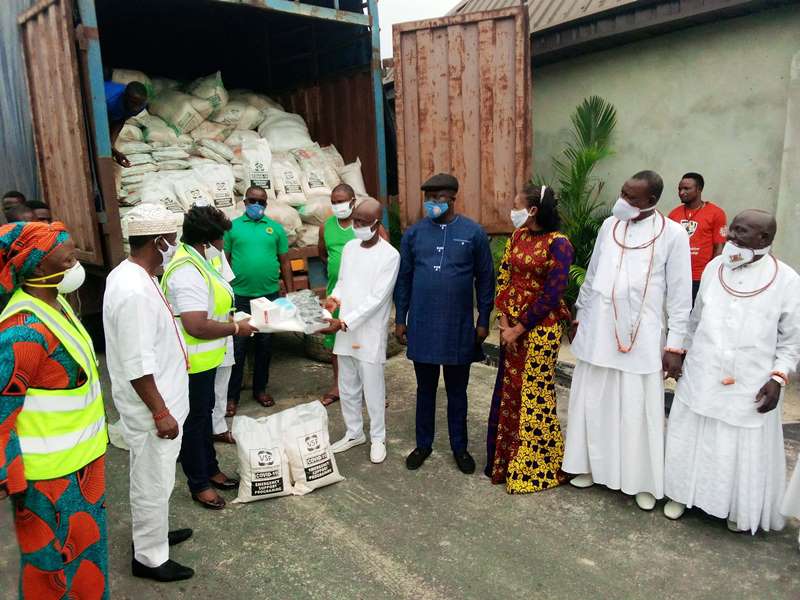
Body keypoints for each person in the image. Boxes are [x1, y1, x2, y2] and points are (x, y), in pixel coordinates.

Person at [663, 210, 800, 533]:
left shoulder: (788, 280)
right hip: (702, 370)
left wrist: (778, 376)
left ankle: (736, 507)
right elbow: (696, 320)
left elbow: (791, 339)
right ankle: (682, 494)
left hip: (750, 378)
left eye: (741, 232)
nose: (731, 237)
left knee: (735, 441)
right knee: (693, 431)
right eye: (731, 230)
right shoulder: (714, 268)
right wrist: (679, 353)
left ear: (764, 239)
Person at [563, 170, 692, 511]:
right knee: (594, 401)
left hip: (643, 337)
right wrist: (580, 314)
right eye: (623, 193)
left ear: (651, 201)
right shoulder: (610, 225)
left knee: (637, 409)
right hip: (599, 330)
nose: (623, 202)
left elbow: (680, 297)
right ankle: (589, 465)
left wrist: (676, 346)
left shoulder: (673, 235)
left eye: (631, 198)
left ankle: (642, 482)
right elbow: (592, 277)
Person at [0, 221, 108, 598]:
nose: (76, 262)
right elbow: (1, 413)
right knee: (49, 571)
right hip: (46, 481)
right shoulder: (24, 330)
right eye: (69, 257)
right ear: (39, 267)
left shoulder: (56, 303)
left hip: (81, 466)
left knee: (86, 560)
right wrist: (10, 483)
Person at [103, 204, 194, 582]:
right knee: (152, 481)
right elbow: (138, 364)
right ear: (158, 241)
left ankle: (153, 535)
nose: (176, 245)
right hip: (153, 406)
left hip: (164, 397)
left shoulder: (137, 275)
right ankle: (149, 558)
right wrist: (160, 412)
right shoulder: (134, 290)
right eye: (173, 240)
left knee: (156, 479)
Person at [394, 173, 495, 474]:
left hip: (458, 327)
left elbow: (486, 279)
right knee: (425, 389)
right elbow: (405, 279)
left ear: (452, 197)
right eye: (428, 197)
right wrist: (401, 318)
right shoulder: (413, 234)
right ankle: (423, 444)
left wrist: (484, 319)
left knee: (457, 391)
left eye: (438, 197)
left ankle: (459, 447)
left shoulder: (473, 232)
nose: (432, 203)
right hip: (423, 325)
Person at [161, 206, 256, 510]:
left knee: (203, 418)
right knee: (193, 423)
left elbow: (214, 303)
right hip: (190, 362)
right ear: (209, 240)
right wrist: (236, 328)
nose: (223, 243)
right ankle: (198, 482)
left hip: (205, 360)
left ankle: (210, 469)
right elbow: (196, 325)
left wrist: (235, 317)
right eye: (221, 238)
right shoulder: (187, 270)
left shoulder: (201, 260)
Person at [486, 184, 574, 493]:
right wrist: (504, 319)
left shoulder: (558, 244)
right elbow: (505, 275)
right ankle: (506, 461)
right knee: (510, 391)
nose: (512, 210)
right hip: (511, 327)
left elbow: (552, 294)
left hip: (541, 330)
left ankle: (535, 469)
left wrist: (519, 327)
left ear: (533, 210)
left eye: (517, 205)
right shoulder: (517, 236)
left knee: (534, 395)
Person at [322, 198, 400, 464]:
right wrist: (334, 300)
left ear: (377, 224)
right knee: (347, 384)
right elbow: (343, 282)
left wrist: (345, 321)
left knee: (373, 387)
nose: (356, 227)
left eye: (362, 223)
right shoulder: (350, 247)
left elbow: (377, 298)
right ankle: (354, 432)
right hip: (345, 327)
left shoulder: (390, 255)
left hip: (368, 332)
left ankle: (377, 437)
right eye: (355, 221)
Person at [224, 186, 294, 416]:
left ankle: (260, 390)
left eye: (262, 202)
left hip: (269, 296)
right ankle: (231, 397)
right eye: (253, 201)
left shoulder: (275, 229)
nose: (257, 205)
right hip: (240, 296)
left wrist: (291, 294)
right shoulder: (232, 228)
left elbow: (285, 263)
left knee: (265, 346)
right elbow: (225, 261)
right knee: (238, 348)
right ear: (245, 202)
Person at [318, 184, 388, 407]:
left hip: (363, 294)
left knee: (366, 344)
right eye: (334, 201)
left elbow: (382, 256)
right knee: (337, 343)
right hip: (337, 292)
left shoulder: (368, 226)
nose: (337, 205)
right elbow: (322, 254)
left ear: (352, 201)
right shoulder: (325, 227)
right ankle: (339, 385)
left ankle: (373, 391)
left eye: (342, 201)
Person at [668, 173, 727, 303]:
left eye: (686, 189)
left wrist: (712, 275)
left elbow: (719, 247)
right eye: (679, 189)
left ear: (699, 189)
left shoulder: (716, 213)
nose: (682, 192)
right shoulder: (673, 214)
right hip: (677, 276)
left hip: (700, 277)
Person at [105, 80, 148, 167]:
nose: (136, 108)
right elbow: (99, 127)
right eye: (133, 103)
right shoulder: (109, 101)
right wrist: (114, 151)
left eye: (139, 104)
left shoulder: (140, 105)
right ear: (125, 97)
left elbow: (121, 119)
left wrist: (112, 146)